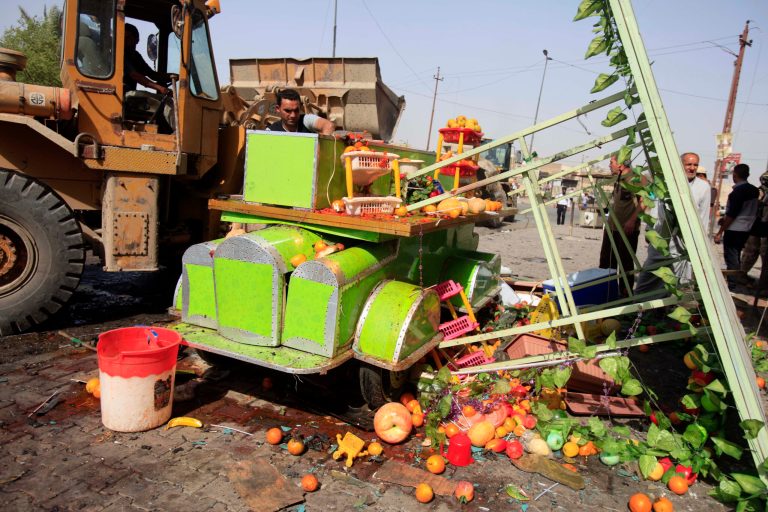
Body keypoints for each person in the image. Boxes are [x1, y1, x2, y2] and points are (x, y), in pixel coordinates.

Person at [634, 152, 711, 296]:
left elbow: (703, 217)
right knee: (650, 274)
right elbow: (656, 209)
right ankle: (639, 304)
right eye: (689, 164)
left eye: (695, 165)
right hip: (662, 239)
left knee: (674, 281)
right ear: (680, 165)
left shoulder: (703, 188)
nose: (692, 168)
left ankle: (663, 310)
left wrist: (700, 243)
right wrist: (650, 231)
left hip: (683, 243)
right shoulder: (666, 183)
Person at [598, 155, 644, 294]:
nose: (609, 165)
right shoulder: (618, 178)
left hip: (627, 229)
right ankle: (607, 293)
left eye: (611, 162)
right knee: (606, 263)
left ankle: (625, 295)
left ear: (620, 164)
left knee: (625, 265)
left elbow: (645, 200)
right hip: (612, 227)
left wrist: (632, 220)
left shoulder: (636, 178)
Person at [714, 163, 759, 288]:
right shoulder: (754, 190)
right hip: (746, 229)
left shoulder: (737, 192)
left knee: (732, 257)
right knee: (736, 255)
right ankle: (735, 280)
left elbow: (732, 215)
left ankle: (732, 284)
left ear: (734, 175)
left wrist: (720, 232)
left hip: (735, 229)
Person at [739, 171, 768, 291]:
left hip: (764, 227)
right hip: (758, 225)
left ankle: (764, 285)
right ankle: (741, 275)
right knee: (751, 250)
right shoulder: (761, 192)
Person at [124, 24, 169, 95]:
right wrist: (160, 88)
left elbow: (152, 74)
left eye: (128, 38)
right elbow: (134, 75)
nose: (124, 41)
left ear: (137, 39)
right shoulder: (121, 54)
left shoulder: (136, 56)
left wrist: (172, 77)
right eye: (123, 37)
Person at [266, 89, 335, 135]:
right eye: (288, 111)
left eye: (296, 110)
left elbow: (329, 126)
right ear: (278, 109)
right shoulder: (271, 131)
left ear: (301, 108)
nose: (293, 115)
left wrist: (319, 147)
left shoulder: (306, 120)